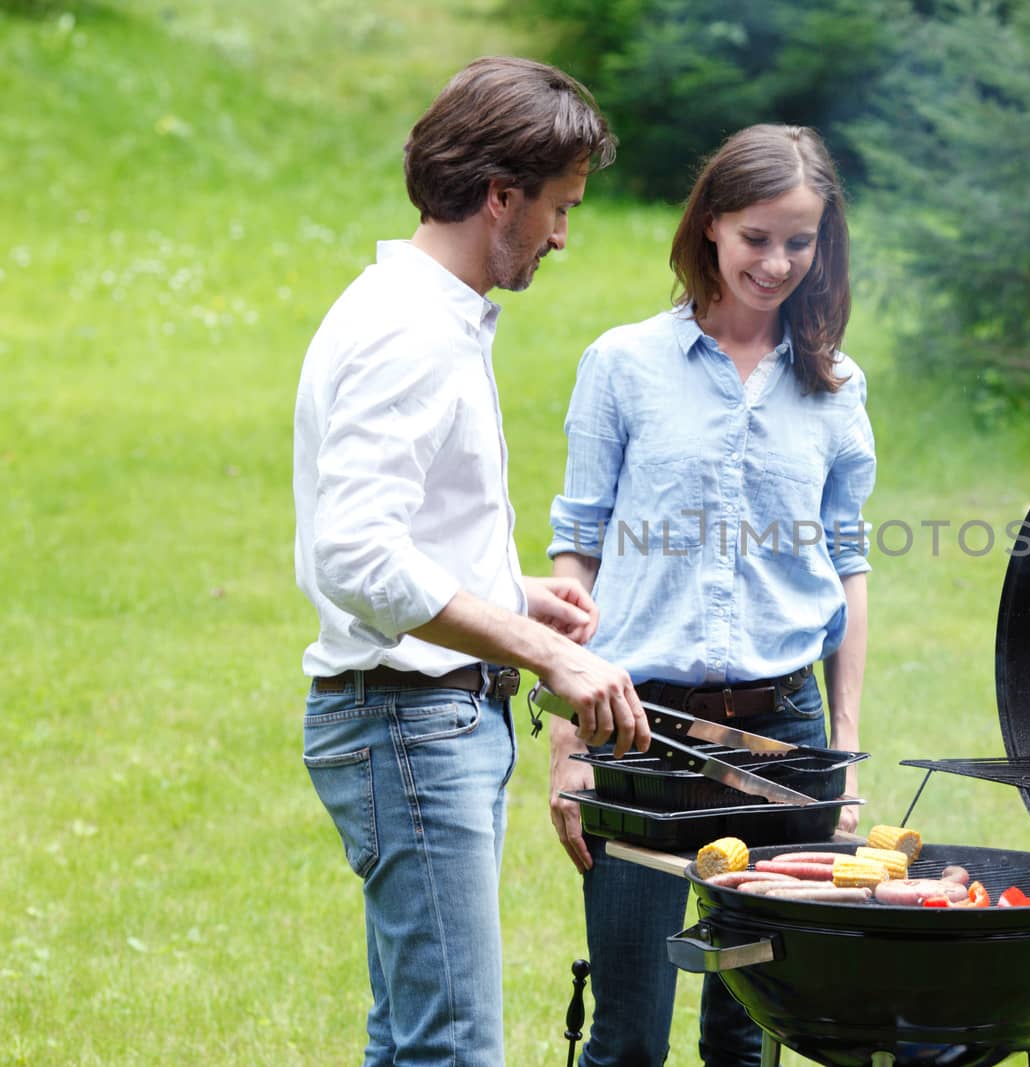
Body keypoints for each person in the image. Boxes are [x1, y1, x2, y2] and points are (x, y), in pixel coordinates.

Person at [292, 57, 652, 1067]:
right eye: (559, 207)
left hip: (421, 720)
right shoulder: (409, 331)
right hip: (407, 724)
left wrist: (510, 587)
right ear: (502, 196)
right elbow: (358, 554)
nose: (564, 236)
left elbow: (399, 529)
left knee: (409, 1040)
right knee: (451, 1048)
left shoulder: (426, 314)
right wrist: (548, 650)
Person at [545, 124, 876, 1067]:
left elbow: (848, 569)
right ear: (710, 229)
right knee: (630, 1034)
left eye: (800, 241)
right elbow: (577, 554)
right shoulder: (623, 365)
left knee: (754, 1032)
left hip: (787, 737)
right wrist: (570, 746)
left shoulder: (836, 387)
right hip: (641, 731)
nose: (777, 263)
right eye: (756, 238)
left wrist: (843, 754)